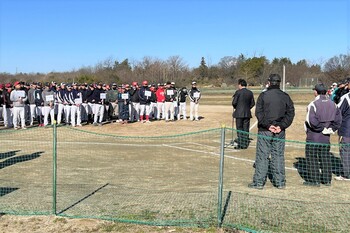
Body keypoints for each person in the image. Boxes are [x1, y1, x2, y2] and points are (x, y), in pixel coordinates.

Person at [249, 74, 295, 189]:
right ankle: (280, 182)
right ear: (279, 83)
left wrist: (273, 126)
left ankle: (259, 182)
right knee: (278, 155)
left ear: (269, 82)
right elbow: (290, 114)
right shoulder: (285, 96)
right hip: (277, 130)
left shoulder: (264, 95)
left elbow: (258, 113)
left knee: (262, 156)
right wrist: (280, 126)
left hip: (266, 131)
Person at [303, 83, 342, 187]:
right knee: (325, 158)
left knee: (312, 158)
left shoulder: (313, 104)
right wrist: (330, 129)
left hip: (314, 137)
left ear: (316, 92)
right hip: (325, 138)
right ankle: (327, 180)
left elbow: (311, 121)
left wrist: (322, 128)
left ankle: (314, 180)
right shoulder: (332, 103)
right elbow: (338, 120)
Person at [232, 79, 255, 149]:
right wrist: (248, 108)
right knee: (246, 129)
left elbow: (234, 103)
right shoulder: (250, 92)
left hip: (239, 113)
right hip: (247, 113)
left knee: (239, 129)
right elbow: (253, 103)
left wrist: (237, 108)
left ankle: (241, 144)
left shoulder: (238, 92)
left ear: (240, 85)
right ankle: (245, 143)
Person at [335, 78, 350, 181]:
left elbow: (338, 112)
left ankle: (346, 174)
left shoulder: (346, 98)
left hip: (347, 130)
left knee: (345, 151)